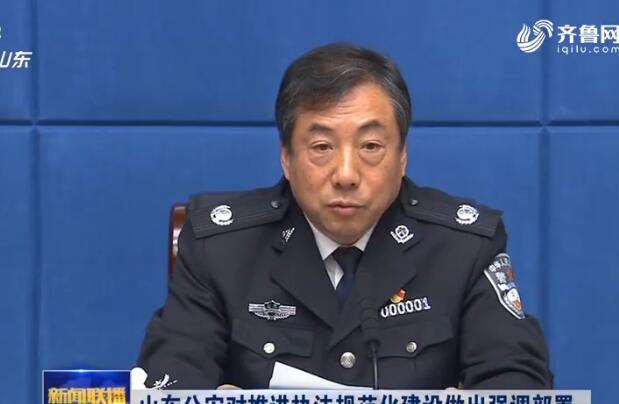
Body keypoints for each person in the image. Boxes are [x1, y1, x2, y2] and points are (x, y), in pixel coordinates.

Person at [137, 43, 553, 390]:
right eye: (322, 147)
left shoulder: (463, 248)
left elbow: (517, 384)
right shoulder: (222, 250)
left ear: (403, 156)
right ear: (286, 158)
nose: (347, 175)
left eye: (370, 146)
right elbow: (171, 383)